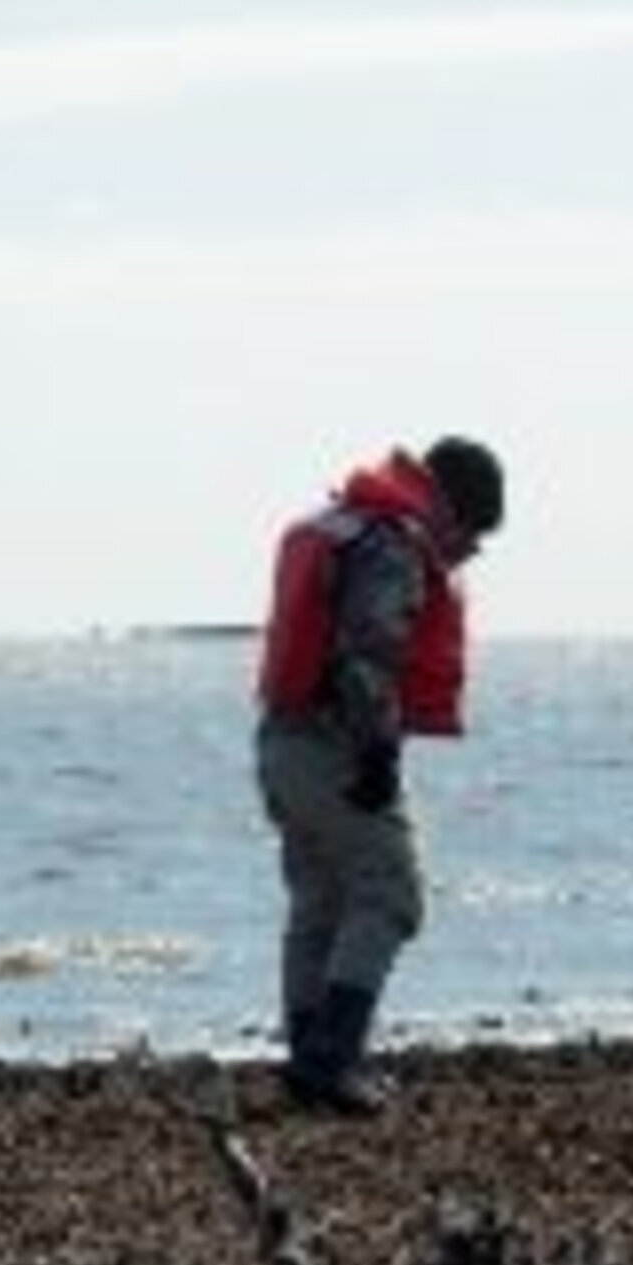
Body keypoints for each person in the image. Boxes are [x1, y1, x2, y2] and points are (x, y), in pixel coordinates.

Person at [252, 435, 507, 1113]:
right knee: (392, 896)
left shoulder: (343, 526)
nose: (471, 549)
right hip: (336, 745)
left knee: (321, 902)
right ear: (453, 506)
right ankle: (330, 1062)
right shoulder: (394, 544)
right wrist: (378, 755)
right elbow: (368, 654)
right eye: (475, 530)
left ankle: (309, 1060)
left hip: (280, 742)